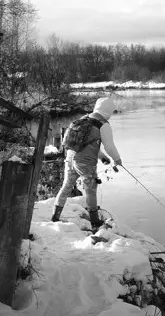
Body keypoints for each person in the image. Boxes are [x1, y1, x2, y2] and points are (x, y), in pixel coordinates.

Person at [50, 96, 122, 230]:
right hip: (85, 163)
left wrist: (101, 157)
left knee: (66, 186)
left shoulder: (83, 119)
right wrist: (117, 159)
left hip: (70, 158)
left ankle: (55, 216)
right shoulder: (103, 124)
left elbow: (85, 144)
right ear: (107, 111)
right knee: (91, 189)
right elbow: (109, 147)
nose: (111, 115)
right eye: (111, 112)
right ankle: (95, 222)